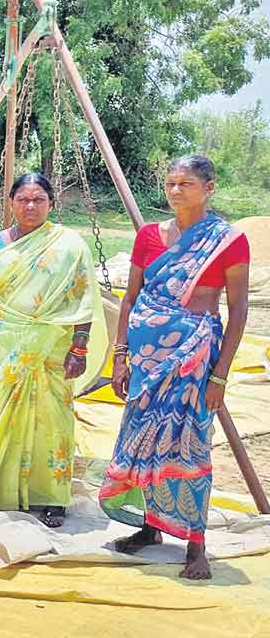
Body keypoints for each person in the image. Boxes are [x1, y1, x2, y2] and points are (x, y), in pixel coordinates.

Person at [100, 154, 249, 581]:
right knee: (145, 438)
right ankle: (151, 527)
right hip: (147, 357)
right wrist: (120, 354)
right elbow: (130, 298)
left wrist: (220, 374)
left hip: (194, 356)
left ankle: (196, 543)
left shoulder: (227, 240)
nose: (176, 190)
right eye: (171, 183)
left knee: (191, 443)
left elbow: (238, 309)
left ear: (209, 188)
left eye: (186, 183)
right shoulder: (148, 236)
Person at [0, 173, 102, 528]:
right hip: (5, 342)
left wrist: (80, 348)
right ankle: (0, 491)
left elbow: (82, 299)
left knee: (52, 420)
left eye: (38, 199)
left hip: (53, 346)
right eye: (23, 199)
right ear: (11, 202)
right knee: (1, 415)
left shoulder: (69, 245)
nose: (30, 206)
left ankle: (51, 497)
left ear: (51, 203)